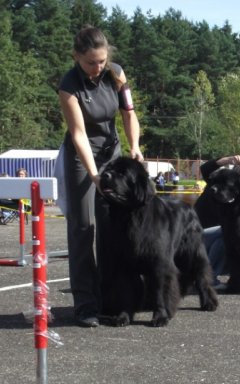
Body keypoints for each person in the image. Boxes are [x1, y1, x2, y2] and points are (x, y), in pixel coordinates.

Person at [58, 26, 143, 327]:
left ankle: (111, 299)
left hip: (113, 153)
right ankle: (85, 305)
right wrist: (93, 175)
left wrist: (134, 146)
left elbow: (128, 114)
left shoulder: (116, 73)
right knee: (83, 228)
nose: (97, 68)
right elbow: (78, 133)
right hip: (83, 158)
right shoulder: (69, 85)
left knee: (112, 229)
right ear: (76, 56)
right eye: (91, 62)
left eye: (102, 61)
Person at [195, 155, 240, 289]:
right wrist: (227, 160)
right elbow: (206, 169)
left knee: (232, 234)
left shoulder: (238, 192)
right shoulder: (219, 186)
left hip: (208, 233)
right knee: (226, 235)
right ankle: (209, 278)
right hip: (199, 231)